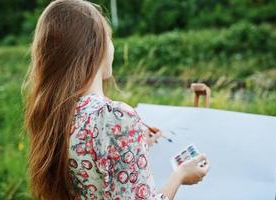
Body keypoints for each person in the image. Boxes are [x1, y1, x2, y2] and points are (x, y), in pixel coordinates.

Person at [22, 0, 210, 199]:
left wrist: (135, 143)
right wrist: (180, 176)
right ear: (96, 47)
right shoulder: (115, 118)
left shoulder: (57, 112)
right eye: (109, 38)